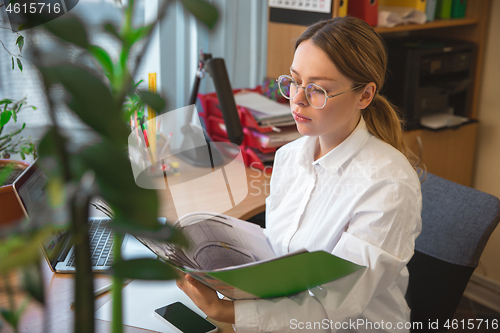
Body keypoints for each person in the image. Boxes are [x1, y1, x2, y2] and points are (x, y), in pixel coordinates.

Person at [177, 16, 422, 332]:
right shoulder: (291, 156)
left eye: (318, 89)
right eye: (294, 81)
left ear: (364, 95)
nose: (297, 99)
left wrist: (229, 313)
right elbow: (281, 251)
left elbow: (332, 307)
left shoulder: (389, 186)